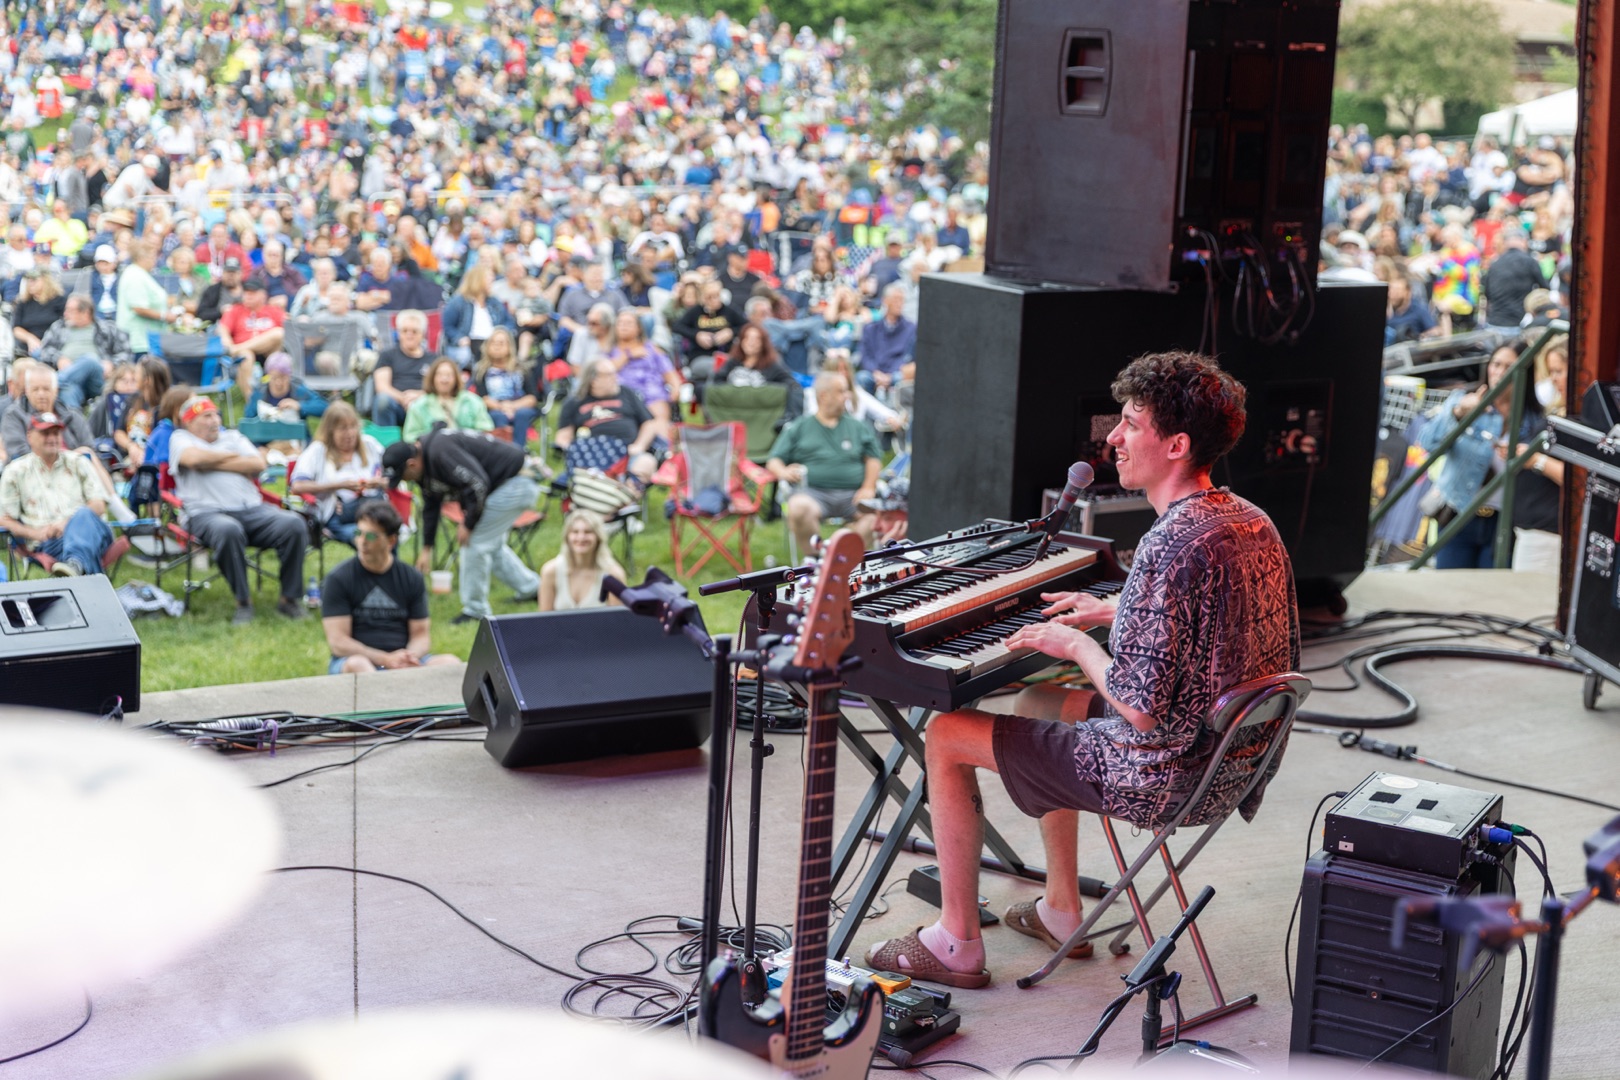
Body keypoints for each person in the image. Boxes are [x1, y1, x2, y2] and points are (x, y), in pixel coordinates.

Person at [861, 351, 1299, 988]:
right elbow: (1219, 625)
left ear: (1176, 445)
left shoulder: (1167, 544)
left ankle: (955, 942)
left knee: (946, 733)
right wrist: (1120, 610)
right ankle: (1061, 910)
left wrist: (1075, 645)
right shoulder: (1249, 520)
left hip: (1163, 772)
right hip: (1232, 762)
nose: (1113, 439)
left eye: (1130, 424)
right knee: (1040, 704)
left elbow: (1139, 709)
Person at [168, 396, 309, 624]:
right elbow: (193, 459)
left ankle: (289, 599)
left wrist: (211, 462)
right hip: (205, 513)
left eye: (216, 415)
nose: (215, 421)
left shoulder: (232, 436)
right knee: (228, 529)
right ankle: (243, 602)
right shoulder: (180, 438)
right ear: (189, 422)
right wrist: (233, 457)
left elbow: (257, 464)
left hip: (252, 509)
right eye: (206, 416)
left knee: (294, 523)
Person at [381, 428, 542, 625]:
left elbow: (477, 484)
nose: (406, 480)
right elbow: (431, 505)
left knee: (474, 542)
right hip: (508, 483)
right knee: (491, 545)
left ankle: (475, 610)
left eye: (404, 476)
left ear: (412, 464)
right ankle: (532, 588)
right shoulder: (426, 460)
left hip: (517, 482)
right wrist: (426, 548)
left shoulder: (440, 452)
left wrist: (468, 523)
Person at [1417, 343, 1541, 569]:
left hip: (1504, 522)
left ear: (1525, 372)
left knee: (1491, 588)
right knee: (1450, 586)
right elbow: (1427, 442)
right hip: (1459, 513)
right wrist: (1459, 412)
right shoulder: (1463, 400)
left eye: (1509, 366)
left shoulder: (1533, 418)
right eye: (1496, 364)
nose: (1500, 372)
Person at [321, 500, 461, 673]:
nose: (362, 541)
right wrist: (384, 659)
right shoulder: (338, 578)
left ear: (391, 541)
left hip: (402, 660)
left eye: (371, 536)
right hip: (358, 659)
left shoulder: (412, 578)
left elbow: (421, 635)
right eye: (358, 533)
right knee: (358, 665)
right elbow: (338, 643)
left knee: (451, 663)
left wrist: (407, 658)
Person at [766, 371, 882, 554]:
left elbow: (873, 459)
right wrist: (784, 472)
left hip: (854, 494)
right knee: (798, 508)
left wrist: (868, 486)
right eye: (841, 391)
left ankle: (843, 557)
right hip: (813, 493)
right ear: (824, 396)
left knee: (879, 515)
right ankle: (816, 559)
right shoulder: (800, 426)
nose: (847, 396)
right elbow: (774, 460)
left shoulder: (857, 427)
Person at [0, 411, 114, 577]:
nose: (52, 438)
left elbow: (99, 505)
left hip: (93, 532)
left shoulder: (78, 462)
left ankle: (74, 565)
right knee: (84, 548)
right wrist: (35, 533)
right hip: (48, 542)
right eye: (45, 433)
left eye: (56, 433)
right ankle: (78, 568)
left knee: (84, 514)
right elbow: (4, 518)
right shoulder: (16, 471)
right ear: (30, 436)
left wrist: (66, 524)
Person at [1507, 334, 1568, 573]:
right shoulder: (1558, 409)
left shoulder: (1583, 417)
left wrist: (1536, 460)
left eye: (1559, 371)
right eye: (1551, 372)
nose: (1554, 379)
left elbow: (1580, 477)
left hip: (1547, 534)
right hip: (1532, 528)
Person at [290, 402, 386, 545]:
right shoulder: (317, 451)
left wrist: (378, 483)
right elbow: (297, 486)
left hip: (373, 511)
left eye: (353, 426)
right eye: (343, 428)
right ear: (330, 431)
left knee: (386, 536)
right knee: (369, 539)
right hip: (338, 518)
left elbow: (393, 477)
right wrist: (338, 486)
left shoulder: (370, 445)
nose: (350, 434)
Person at [554, 359, 661, 484]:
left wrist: (639, 446)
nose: (615, 378)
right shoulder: (574, 402)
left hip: (628, 453)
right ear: (593, 380)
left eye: (615, 373)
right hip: (591, 457)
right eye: (609, 374)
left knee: (646, 463)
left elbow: (649, 424)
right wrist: (573, 449)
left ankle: (624, 494)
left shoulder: (626, 393)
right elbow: (563, 437)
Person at [607, 308, 681, 441]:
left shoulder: (653, 349)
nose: (624, 326)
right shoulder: (609, 351)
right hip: (622, 396)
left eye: (628, 323)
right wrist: (628, 355)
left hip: (652, 394)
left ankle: (663, 447)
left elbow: (669, 372)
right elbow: (606, 370)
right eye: (620, 323)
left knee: (659, 414)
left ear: (639, 328)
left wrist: (676, 388)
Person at [538, 509, 627, 612]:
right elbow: (544, 618)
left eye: (588, 532)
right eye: (575, 532)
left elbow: (618, 619)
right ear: (567, 537)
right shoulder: (550, 572)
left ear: (598, 537)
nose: (581, 537)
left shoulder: (613, 575)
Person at [219, 275, 288, 398]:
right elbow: (222, 329)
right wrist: (227, 342)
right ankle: (251, 403)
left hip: (269, 353)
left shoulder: (273, 310)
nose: (248, 296)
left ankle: (274, 397)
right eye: (246, 292)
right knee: (246, 356)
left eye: (252, 293)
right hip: (243, 355)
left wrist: (234, 348)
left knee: (279, 333)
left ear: (263, 295)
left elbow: (289, 330)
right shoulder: (235, 310)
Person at [474, 328, 541, 448]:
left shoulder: (522, 369)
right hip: (495, 408)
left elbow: (532, 398)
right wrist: (502, 407)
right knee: (498, 416)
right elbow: (483, 398)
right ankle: (503, 450)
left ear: (510, 347)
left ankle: (519, 450)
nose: (497, 347)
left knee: (522, 414)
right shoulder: (481, 371)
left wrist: (513, 406)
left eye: (501, 343)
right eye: (493, 343)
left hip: (520, 406)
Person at [442, 262, 516, 369]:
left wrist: (502, 333)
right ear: (478, 280)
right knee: (464, 355)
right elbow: (448, 327)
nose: (492, 282)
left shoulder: (494, 302)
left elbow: (509, 322)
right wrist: (459, 338)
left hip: (491, 342)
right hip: (469, 344)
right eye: (489, 279)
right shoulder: (458, 301)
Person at [403, 358, 494, 442]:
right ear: (432, 378)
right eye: (440, 375)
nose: (444, 380)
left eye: (449, 375)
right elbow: (410, 436)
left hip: (467, 447)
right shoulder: (420, 405)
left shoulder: (472, 401)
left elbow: (486, 429)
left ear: (456, 378)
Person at [372, 308, 437, 427]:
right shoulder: (387, 355)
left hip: (425, 405)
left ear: (423, 334)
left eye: (414, 331)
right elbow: (382, 387)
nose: (409, 335)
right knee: (382, 400)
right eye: (405, 330)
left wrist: (420, 395)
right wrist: (403, 399)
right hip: (396, 404)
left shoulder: (434, 359)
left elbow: (440, 388)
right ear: (398, 332)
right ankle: (387, 437)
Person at [116, 239, 178, 353]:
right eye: (152, 257)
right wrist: (164, 316)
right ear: (141, 258)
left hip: (148, 339)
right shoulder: (135, 276)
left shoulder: (141, 274)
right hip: (138, 341)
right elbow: (138, 308)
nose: (155, 260)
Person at [858, 283, 916, 396]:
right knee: (862, 378)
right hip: (874, 374)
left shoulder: (911, 329)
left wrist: (889, 377)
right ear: (885, 301)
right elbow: (865, 356)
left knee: (902, 379)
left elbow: (907, 357)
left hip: (896, 375)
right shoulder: (871, 328)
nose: (899, 304)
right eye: (895, 299)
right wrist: (876, 373)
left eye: (901, 300)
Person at [247, 352, 328, 422]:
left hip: (295, 433)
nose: (278, 382)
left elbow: (324, 407)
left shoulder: (299, 390)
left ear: (289, 376)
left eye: (283, 377)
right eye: (274, 378)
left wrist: (299, 406)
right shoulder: (259, 392)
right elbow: (248, 419)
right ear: (268, 376)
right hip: (265, 434)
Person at [12, 269, 69, 359]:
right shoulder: (23, 302)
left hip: (54, 345)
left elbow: (66, 323)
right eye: (29, 280)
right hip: (30, 347)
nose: (30, 283)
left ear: (46, 280)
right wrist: (30, 338)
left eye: (34, 280)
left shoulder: (59, 300)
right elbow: (16, 328)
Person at [196, 255, 246, 323]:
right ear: (222, 273)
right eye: (228, 272)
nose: (230, 276)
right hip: (218, 324)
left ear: (240, 274)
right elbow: (201, 313)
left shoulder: (249, 290)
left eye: (234, 273)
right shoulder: (212, 290)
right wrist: (220, 311)